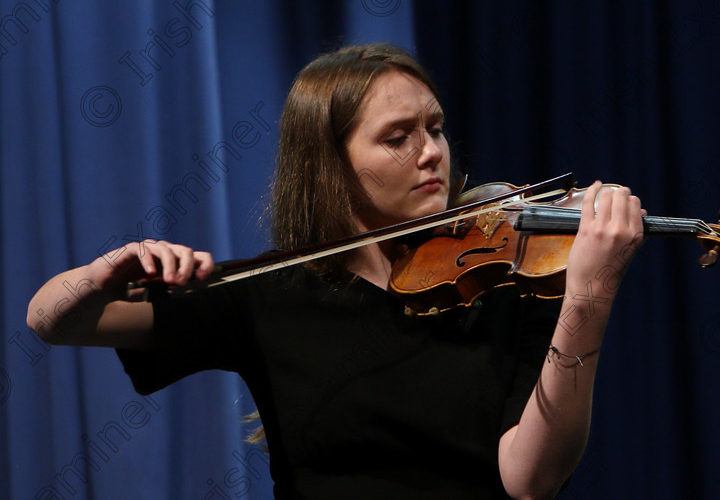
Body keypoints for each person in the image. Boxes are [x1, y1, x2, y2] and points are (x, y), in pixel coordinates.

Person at [27, 43, 644, 499]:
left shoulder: (506, 280)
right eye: (398, 137)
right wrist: (104, 272)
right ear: (331, 166)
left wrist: (589, 294)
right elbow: (52, 320)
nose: (431, 151)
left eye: (435, 128)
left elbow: (530, 478)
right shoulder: (273, 293)